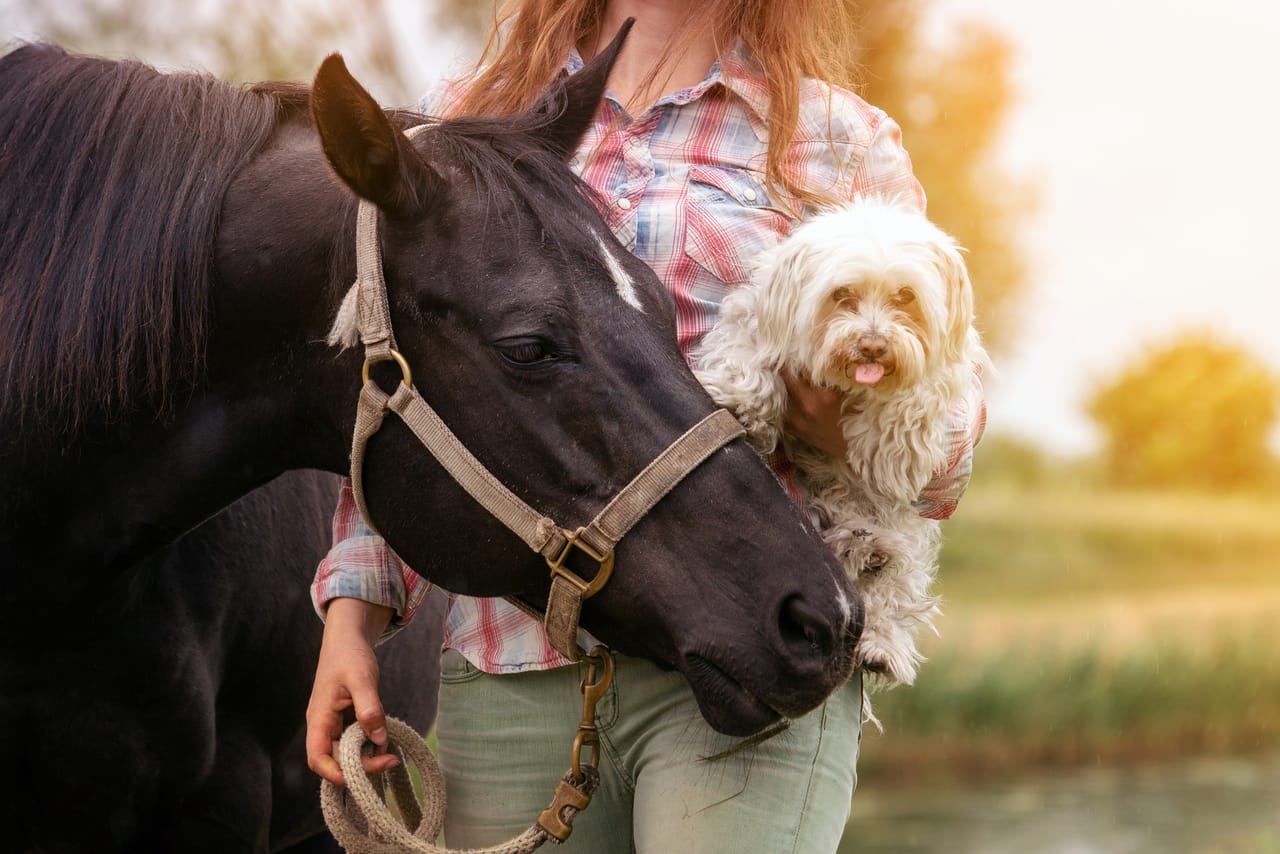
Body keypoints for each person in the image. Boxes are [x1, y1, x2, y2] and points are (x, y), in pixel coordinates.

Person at [306, 0, 987, 850]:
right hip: (512, 659)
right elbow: (398, 380)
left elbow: (949, 456)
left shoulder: (837, 140)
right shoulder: (472, 116)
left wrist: (836, 417)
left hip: (755, 650)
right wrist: (351, 618)